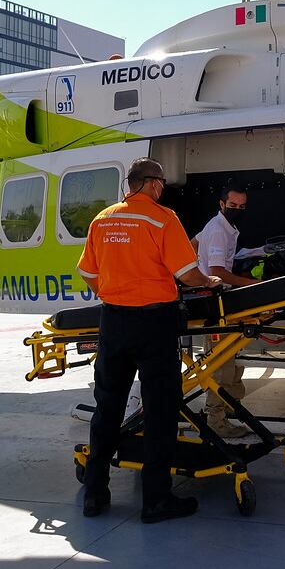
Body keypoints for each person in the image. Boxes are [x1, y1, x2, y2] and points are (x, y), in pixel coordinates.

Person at [77, 158, 223, 523]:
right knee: (160, 410)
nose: (162, 189)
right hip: (154, 322)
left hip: (113, 321)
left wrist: (115, 293)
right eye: (161, 183)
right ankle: (156, 500)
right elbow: (187, 273)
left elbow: (87, 274)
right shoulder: (163, 218)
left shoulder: (103, 219)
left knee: (107, 407)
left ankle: (95, 494)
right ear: (152, 183)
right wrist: (209, 282)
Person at [192, 186, 252, 438]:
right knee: (221, 365)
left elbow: (191, 244)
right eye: (233, 205)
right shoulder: (218, 230)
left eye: (241, 206)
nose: (237, 210)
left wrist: (196, 268)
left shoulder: (218, 226)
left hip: (219, 299)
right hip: (216, 304)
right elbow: (218, 271)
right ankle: (216, 421)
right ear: (221, 203)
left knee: (228, 360)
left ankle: (225, 410)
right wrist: (252, 284)